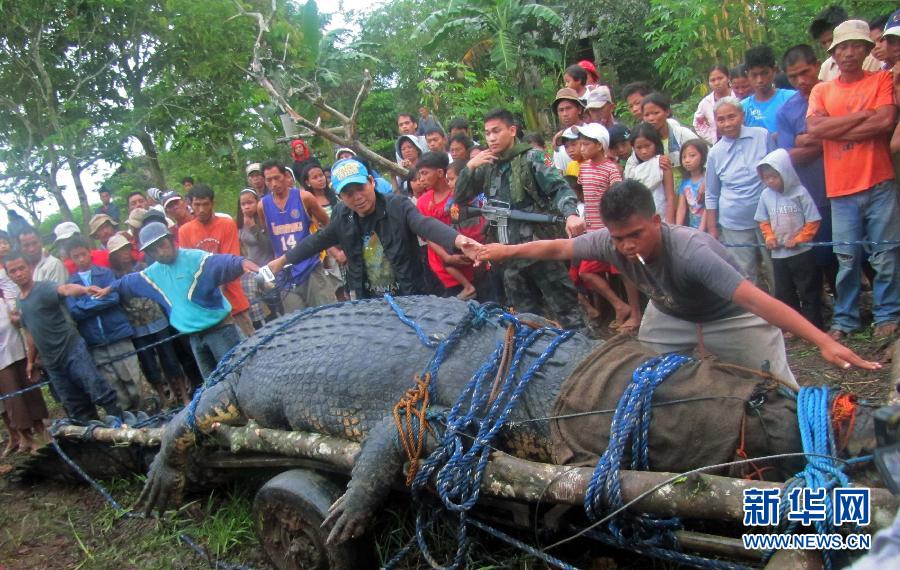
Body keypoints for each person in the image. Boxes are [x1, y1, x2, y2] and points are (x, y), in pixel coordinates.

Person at [476, 180, 883, 390]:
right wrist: (503, 251)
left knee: (779, 390)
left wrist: (822, 341)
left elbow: (759, 302)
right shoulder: (610, 242)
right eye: (618, 238)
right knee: (646, 377)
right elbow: (557, 248)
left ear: (657, 221)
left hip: (730, 318)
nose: (626, 245)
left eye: (635, 234)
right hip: (669, 315)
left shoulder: (692, 251)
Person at [266, 158, 481, 300]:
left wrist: (459, 241)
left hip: (411, 295)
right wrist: (283, 261)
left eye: (360, 188)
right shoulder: (343, 215)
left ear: (371, 182)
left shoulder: (397, 206)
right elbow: (317, 240)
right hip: (371, 302)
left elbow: (425, 224)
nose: (357, 197)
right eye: (348, 194)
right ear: (340, 197)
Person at [806, 19, 900, 339]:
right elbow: (815, 130)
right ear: (833, 53)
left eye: (856, 46)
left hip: (878, 180)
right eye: (842, 47)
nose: (849, 53)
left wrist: (838, 126)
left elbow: (886, 121)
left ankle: (887, 313)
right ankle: (846, 319)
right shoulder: (822, 89)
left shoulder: (881, 80)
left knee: (885, 253)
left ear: (866, 49)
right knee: (846, 258)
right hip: (841, 187)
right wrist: (862, 117)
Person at [455, 108, 586, 329]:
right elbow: (460, 197)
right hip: (508, 256)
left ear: (512, 130)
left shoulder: (533, 157)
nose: (491, 138)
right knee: (524, 320)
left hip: (540, 250)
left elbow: (559, 188)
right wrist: (469, 167)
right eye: (487, 133)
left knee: (568, 312)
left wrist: (571, 214)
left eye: (496, 131)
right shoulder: (487, 164)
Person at [97, 222, 260, 379]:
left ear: (170, 240)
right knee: (213, 385)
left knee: (238, 375)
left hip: (220, 330)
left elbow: (222, 262)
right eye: (153, 251)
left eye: (162, 245)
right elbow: (128, 282)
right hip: (194, 338)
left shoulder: (196, 259)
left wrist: (242, 263)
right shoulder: (153, 274)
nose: (159, 252)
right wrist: (109, 288)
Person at [6, 252, 123, 421]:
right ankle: (94, 439)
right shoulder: (20, 302)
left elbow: (65, 289)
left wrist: (84, 289)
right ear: (8, 275)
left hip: (71, 349)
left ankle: (122, 424)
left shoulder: (44, 288)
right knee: (74, 404)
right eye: (13, 271)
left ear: (29, 268)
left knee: (98, 389)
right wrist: (31, 362)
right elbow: (30, 333)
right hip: (52, 362)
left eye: (21, 268)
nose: (18, 273)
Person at [777, 44, 836, 292]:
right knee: (826, 256)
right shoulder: (787, 110)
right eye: (793, 76)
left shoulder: (838, 92)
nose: (801, 80)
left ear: (816, 65)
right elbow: (788, 156)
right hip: (814, 192)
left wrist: (809, 139)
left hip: (849, 184)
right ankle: (840, 308)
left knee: (863, 250)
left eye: (805, 72)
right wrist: (830, 139)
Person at [107, 233, 190, 406]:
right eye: (119, 251)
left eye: (126, 249)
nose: (124, 254)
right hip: (136, 326)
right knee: (148, 363)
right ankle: (164, 398)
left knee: (169, 357)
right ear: (113, 256)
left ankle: (182, 394)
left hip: (158, 319)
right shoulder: (113, 277)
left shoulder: (144, 267)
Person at [572, 123, 640, 330]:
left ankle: (635, 314)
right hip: (592, 230)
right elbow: (586, 198)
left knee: (623, 272)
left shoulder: (611, 168)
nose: (581, 149)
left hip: (611, 229)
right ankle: (620, 306)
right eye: (580, 144)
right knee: (586, 272)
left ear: (600, 146)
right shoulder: (583, 169)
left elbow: (618, 198)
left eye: (585, 144)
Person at [65, 237, 143, 411]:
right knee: (113, 382)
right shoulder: (71, 284)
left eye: (83, 254)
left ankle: (143, 410)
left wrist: (87, 304)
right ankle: (128, 418)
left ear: (89, 252)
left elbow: (114, 297)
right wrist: (99, 300)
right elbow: (74, 311)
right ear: (71, 258)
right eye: (76, 256)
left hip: (117, 333)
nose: (81, 259)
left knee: (132, 376)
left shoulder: (105, 273)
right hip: (94, 340)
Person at [705, 97, 775, 287]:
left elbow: (777, 172)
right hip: (733, 222)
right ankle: (754, 315)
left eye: (731, 117)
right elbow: (711, 194)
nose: (727, 123)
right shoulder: (715, 153)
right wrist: (712, 230)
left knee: (775, 268)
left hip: (767, 218)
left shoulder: (761, 136)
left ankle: (783, 311)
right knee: (745, 273)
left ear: (742, 116)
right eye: (721, 119)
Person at [754, 149, 823, 331]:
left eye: (774, 176)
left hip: (802, 252)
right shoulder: (765, 196)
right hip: (779, 254)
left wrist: (801, 238)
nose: (770, 181)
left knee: (808, 289)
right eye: (766, 177)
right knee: (785, 292)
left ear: (785, 172)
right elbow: (763, 220)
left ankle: (813, 326)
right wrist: (769, 236)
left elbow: (813, 219)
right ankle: (793, 327)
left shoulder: (800, 192)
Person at [258, 161, 341, 313]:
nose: (274, 183)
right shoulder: (262, 206)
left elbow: (327, 224)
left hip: (310, 266)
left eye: (277, 178)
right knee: (299, 324)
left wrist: (331, 252)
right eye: (269, 180)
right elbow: (268, 234)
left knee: (329, 314)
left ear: (286, 176)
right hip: (285, 274)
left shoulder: (304, 197)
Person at [178, 184, 254, 337]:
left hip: (234, 301)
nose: (201, 209)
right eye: (197, 205)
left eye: (205, 204)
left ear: (212, 203)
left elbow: (229, 263)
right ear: (190, 205)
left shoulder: (226, 224)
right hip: (207, 309)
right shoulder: (184, 231)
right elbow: (189, 269)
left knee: (250, 344)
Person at [415, 152, 477, 300]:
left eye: (424, 173)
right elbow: (427, 235)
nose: (421, 179)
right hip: (440, 265)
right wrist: (447, 257)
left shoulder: (458, 195)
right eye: (419, 174)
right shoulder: (423, 202)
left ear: (440, 172)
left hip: (467, 258)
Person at [0, 282, 47, 456]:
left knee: (31, 392)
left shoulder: (4, 299)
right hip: (1, 363)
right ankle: (29, 438)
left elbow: (19, 317)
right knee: (14, 401)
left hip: (19, 352)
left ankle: (42, 431)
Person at [810, 5, 882, 81]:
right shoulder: (826, 68)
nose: (829, 46)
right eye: (824, 43)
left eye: (832, 40)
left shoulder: (874, 58)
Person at [741, 45, 797, 140]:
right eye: (754, 75)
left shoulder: (792, 99)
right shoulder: (742, 108)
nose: (759, 80)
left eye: (764, 73)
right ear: (747, 75)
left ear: (774, 71)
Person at [624, 123, 675, 223]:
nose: (644, 151)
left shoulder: (662, 164)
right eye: (639, 147)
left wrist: (669, 224)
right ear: (633, 148)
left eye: (648, 146)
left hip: (661, 215)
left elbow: (670, 197)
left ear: (656, 144)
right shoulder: (630, 167)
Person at [638, 92, 697, 166]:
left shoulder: (682, 134)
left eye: (656, 113)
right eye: (647, 115)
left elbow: (705, 159)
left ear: (667, 112)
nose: (651, 118)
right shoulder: (641, 140)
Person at [694, 65, 734, 144]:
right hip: (720, 145)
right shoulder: (706, 102)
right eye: (712, 80)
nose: (717, 83)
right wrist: (712, 137)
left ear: (728, 78)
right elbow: (697, 122)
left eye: (720, 78)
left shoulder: (738, 95)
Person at [550, 88, 586, 172]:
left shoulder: (591, 132)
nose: (565, 114)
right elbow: (560, 173)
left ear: (579, 109)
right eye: (561, 110)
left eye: (568, 108)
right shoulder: (559, 144)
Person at [676, 139, 708, 231]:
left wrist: (701, 230)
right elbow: (681, 208)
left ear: (703, 156)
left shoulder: (707, 180)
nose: (687, 160)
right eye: (683, 157)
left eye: (692, 156)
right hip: (693, 228)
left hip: (708, 229)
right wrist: (678, 228)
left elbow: (708, 206)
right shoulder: (685, 182)